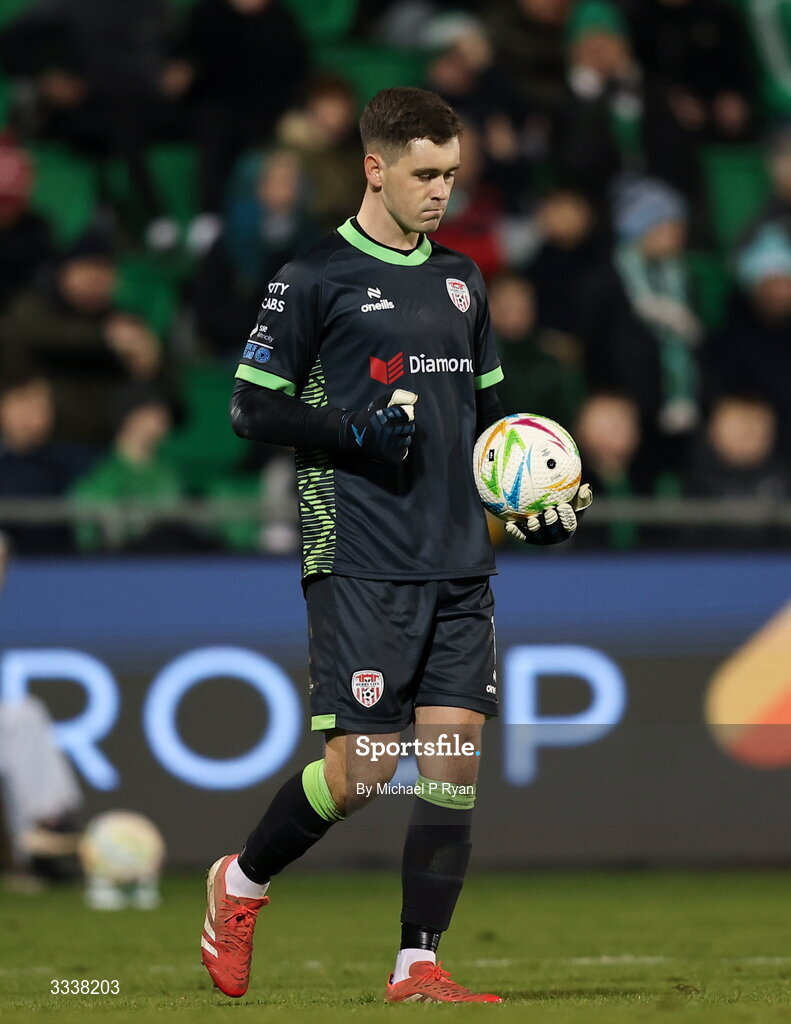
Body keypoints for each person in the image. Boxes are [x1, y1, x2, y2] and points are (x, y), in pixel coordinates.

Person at [200, 87, 592, 1004]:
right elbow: (249, 406)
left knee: (452, 768)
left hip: (461, 559)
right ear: (374, 167)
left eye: (451, 176)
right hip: (362, 553)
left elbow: (496, 425)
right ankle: (241, 882)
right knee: (364, 772)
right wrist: (353, 430)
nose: (439, 193)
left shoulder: (463, 276)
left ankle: (417, 963)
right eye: (423, 174)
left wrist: (544, 494)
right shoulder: (314, 277)